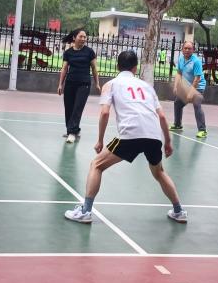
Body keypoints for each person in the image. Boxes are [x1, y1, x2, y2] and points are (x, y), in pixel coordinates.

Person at [64, 50, 187, 224]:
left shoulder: (111, 85)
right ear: (135, 68)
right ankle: (179, 211)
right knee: (159, 172)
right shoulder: (147, 87)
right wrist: (167, 142)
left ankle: (85, 211)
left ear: (117, 66)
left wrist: (100, 140)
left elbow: (105, 113)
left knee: (96, 165)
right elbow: (161, 116)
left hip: (131, 134)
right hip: (153, 135)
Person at [57, 28, 100, 144]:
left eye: (85, 37)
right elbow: (64, 69)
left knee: (77, 108)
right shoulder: (68, 53)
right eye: (81, 36)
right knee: (69, 108)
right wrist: (60, 84)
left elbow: (94, 68)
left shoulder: (89, 52)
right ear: (74, 38)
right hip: (70, 83)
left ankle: (72, 133)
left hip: (84, 84)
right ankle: (72, 130)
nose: (83, 39)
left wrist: (97, 83)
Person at [171, 40, 208, 139]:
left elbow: (197, 79)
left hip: (198, 87)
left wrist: (191, 93)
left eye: (189, 48)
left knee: (196, 104)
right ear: (182, 49)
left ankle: (202, 130)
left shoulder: (196, 61)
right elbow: (179, 73)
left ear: (193, 50)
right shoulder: (181, 59)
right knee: (178, 103)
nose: (187, 50)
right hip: (187, 86)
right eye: (185, 48)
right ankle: (177, 125)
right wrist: (176, 86)